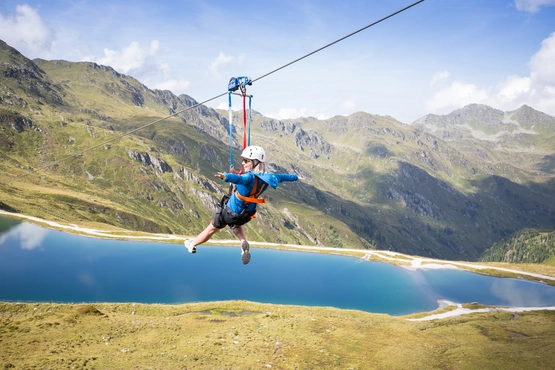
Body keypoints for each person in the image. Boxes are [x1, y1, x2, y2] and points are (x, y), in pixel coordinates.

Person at [184, 145, 301, 265]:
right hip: (246, 214)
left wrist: (226, 176)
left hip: (230, 211)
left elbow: (239, 180)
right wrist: (296, 177)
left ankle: (192, 244)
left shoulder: (249, 177)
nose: (243, 163)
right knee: (236, 225)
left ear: (255, 162)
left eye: (246, 161)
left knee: (210, 229)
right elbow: (284, 177)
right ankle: (243, 243)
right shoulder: (269, 177)